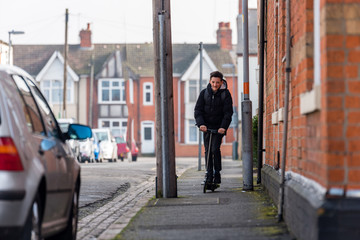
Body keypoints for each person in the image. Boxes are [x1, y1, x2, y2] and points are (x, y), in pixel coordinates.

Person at [194, 71, 233, 184]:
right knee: (208, 150)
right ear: (210, 81)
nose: (215, 85)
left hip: (218, 128)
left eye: (217, 82)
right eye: (213, 82)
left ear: (221, 82)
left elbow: (228, 113)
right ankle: (209, 173)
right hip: (206, 127)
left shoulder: (225, 94)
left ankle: (217, 173)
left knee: (215, 149)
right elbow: (198, 110)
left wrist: (223, 127)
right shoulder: (204, 93)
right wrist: (201, 124)